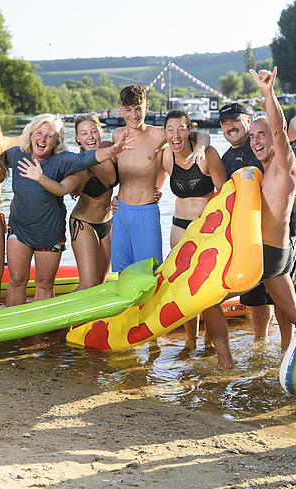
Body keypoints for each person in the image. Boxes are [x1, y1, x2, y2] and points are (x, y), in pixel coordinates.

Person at [219, 73, 296, 348]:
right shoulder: (236, 160)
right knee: (291, 311)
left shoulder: (281, 161)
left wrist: (270, 92)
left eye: (261, 134)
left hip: (276, 248)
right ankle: (273, 346)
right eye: (224, 124)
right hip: (259, 247)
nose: (256, 140)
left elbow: (284, 128)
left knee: (287, 311)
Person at [5, 114, 134, 307]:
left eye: (49, 135)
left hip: (52, 232)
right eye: (39, 133)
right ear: (31, 134)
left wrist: (114, 150)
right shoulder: (16, 154)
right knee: (16, 281)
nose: (42, 139)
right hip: (21, 228)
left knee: (49, 285)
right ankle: (12, 331)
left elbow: (89, 158)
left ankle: (45, 333)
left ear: (57, 140)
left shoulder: (64, 159)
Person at [158, 109, 231, 367]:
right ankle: (191, 341)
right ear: (165, 132)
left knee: (207, 290)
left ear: (189, 130)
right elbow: (152, 180)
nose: (176, 135)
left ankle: (212, 343)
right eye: (170, 129)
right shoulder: (166, 156)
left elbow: (224, 193)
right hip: (179, 227)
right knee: (182, 285)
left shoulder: (206, 154)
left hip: (207, 230)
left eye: (181, 129)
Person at [111, 84, 209, 272]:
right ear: (121, 109)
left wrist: (201, 147)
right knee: (120, 272)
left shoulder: (159, 134)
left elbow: (199, 135)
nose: (133, 115)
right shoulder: (117, 135)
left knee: (151, 273)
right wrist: (110, 199)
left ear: (146, 108)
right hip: (120, 212)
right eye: (128, 110)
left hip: (145, 212)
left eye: (138, 109)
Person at [68, 113, 119, 290]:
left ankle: (90, 319)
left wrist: (120, 197)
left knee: (101, 281)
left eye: (93, 131)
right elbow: (60, 185)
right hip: (84, 224)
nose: (90, 137)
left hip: (108, 223)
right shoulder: (77, 165)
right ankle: (58, 313)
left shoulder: (111, 150)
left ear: (101, 132)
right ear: (77, 138)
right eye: (84, 133)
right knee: (87, 284)